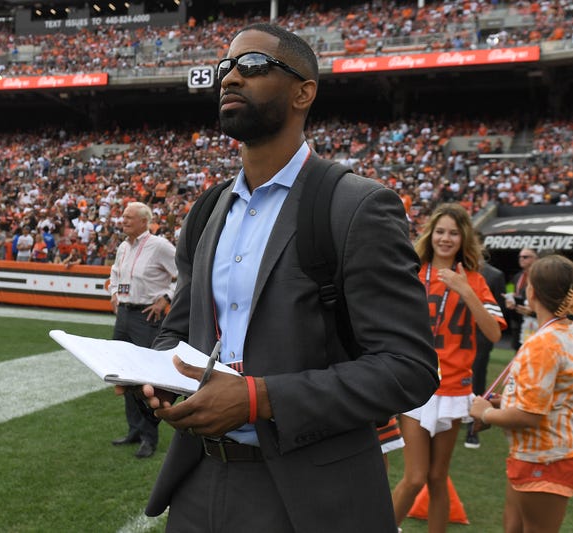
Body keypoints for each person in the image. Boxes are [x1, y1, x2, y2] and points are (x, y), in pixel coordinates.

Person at [136, 24, 438, 531]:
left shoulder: (357, 205)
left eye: (251, 65)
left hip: (313, 497)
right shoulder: (208, 208)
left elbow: (408, 367)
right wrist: (158, 376)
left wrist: (260, 399)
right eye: (225, 67)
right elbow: (180, 327)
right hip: (198, 482)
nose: (230, 77)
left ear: (304, 92)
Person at [391, 203, 506, 532]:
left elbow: (494, 332)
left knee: (438, 477)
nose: (445, 238)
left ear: (463, 238)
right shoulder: (413, 273)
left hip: (454, 387)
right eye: (440, 231)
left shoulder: (474, 280)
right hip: (416, 384)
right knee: (414, 478)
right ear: (430, 234)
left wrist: (465, 290)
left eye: (453, 233)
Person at [470, 254, 573, 533]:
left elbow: (529, 415)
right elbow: (548, 396)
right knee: (513, 526)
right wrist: (505, 402)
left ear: (531, 291)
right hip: (544, 453)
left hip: (548, 457)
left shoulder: (544, 344)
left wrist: (485, 412)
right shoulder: (567, 330)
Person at [109, 201, 177, 459]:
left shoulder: (159, 246)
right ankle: (134, 430)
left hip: (146, 316)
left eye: (128, 217)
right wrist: (114, 292)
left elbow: (184, 271)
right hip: (125, 314)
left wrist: (166, 299)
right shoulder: (123, 246)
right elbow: (115, 274)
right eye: (123, 216)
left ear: (143, 221)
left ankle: (149, 437)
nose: (123, 221)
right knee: (124, 375)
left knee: (146, 378)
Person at [466, 234, 508, 449]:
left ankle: (473, 427)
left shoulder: (494, 275)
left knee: (478, 380)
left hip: (481, 338)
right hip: (455, 339)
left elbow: (497, 310)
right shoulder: (452, 270)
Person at [507, 248, 538, 350]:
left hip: (535, 321)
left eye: (525, 257)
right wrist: (509, 299)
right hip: (517, 320)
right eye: (520, 257)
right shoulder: (517, 276)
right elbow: (509, 289)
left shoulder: (540, 277)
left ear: (536, 259)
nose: (521, 259)